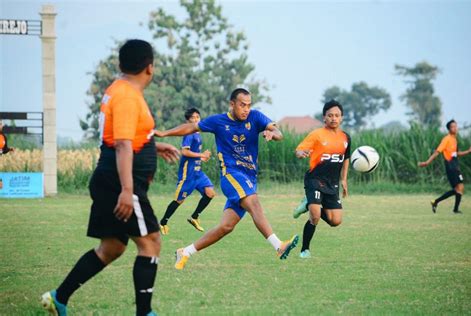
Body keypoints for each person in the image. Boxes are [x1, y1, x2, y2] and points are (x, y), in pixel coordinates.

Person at [41, 39, 179, 316]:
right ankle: (145, 312)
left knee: (113, 246)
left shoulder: (117, 89)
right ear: (150, 68)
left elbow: (126, 137)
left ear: (120, 65)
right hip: (120, 182)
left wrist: (153, 144)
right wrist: (127, 190)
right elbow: (123, 144)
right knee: (151, 241)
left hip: (108, 178)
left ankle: (59, 297)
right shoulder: (128, 96)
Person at [155, 88, 299, 270]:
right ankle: (279, 246)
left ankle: (185, 252)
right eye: (242, 105)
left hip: (249, 178)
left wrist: (272, 133)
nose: (246, 109)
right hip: (231, 175)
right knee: (254, 203)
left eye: (248, 105)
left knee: (226, 227)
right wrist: (163, 133)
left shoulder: (255, 117)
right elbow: (191, 127)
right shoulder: (218, 121)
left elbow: (278, 133)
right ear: (232, 104)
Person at [293, 100, 350, 259]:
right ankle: (305, 250)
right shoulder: (317, 134)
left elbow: (346, 158)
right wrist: (301, 154)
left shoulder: (345, 138)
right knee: (315, 216)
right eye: (330, 115)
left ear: (342, 118)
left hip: (332, 184)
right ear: (324, 117)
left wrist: (344, 180)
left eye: (337, 115)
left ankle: (308, 204)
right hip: (315, 179)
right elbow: (299, 149)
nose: (334, 118)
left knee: (335, 221)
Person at [159, 108, 216, 235]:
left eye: (198, 117)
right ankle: (163, 222)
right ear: (188, 121)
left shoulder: (197, 133)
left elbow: (195, 154)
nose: (196, 119)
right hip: (188, 174)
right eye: (193, 117)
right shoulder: (189, 133)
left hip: (198, 173)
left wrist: (202, 157)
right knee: (179, 201)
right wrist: (201, 155)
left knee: (210, 193)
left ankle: (194, 217)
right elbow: (184, 152)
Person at [418, 119, 471, 214]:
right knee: (459, 188)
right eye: (453, 126)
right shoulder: (446, 139)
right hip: (451, 167)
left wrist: (468, 151)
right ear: (449, 129)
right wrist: (427, 162)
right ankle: (453, 209)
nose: (455, 128)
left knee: (459, 188)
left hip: (455, 166)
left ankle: (436, 202)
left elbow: (456, 153)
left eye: (456, 126)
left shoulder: (454, 140)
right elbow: (437, 152)